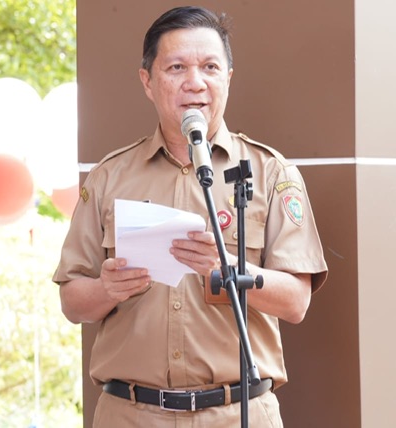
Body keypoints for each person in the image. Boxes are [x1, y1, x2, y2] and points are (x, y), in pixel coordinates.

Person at [53, 6, 328, 427]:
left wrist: (227, 269)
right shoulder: (110, 176)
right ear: (148, 81)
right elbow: (73, 301)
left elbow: (296, 301)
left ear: (228, 78)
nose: (195, 82)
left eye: (210, 67)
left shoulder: (271, 172)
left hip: (237, 413)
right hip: (131, 415)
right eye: (177, 67)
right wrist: (108, 288)